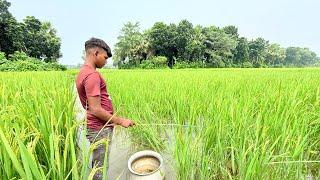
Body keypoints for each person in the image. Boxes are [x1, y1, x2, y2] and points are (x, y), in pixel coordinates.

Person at [76, 37, 135, 179]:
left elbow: (89, 106)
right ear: (95, 53)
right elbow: (95, 109)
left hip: (98, 126)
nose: (106, 61)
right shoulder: (92, 75)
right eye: (105, 57)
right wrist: (120, 121)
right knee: (100, 169)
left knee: (98, 164)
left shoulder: (83, 72)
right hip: (99, 130)